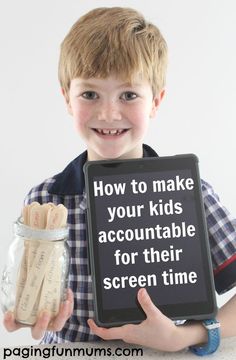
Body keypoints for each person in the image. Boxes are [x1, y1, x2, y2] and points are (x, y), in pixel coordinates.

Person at [3, 6, 236, 354]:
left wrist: (188, 335)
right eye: (90, 94)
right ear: (67, 98)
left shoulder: (189, 194)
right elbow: (27, 295)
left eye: (128, 95)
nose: (108, 113)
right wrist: (26, 312)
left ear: (155, 101)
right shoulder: (46, 199)